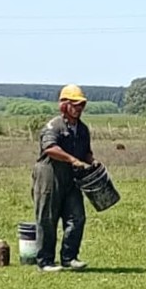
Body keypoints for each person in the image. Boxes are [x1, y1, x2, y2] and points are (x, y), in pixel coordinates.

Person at [32, 84, 95, 272]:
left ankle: (69, 257)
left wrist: (93, 162)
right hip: (49, 175)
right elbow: (50, 148)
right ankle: (45, 261)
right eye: (75, 104)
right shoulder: (53, 126)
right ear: (64, 105)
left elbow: (87, 152)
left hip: (72, 178)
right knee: (47, 218)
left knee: (77, 218)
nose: (79, 108)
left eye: (81, 105)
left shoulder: (83, 129)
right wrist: (72, 159)